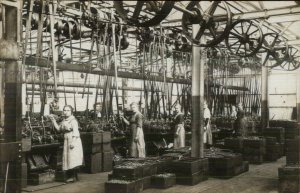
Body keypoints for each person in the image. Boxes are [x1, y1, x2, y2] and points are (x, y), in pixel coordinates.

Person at [49, 105, 83, 182]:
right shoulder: (64, 121)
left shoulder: (73, 121)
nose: (66, 112)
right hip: (67, 139)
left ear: (71, 112)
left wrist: (73, 143)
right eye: (64, 110)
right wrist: (53, 120)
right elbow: (58, 129)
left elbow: (76, 132)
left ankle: (73, 177)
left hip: (73, 139)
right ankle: (71, 176)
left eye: (68, 110)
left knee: (73, 158)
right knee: (67, 157)